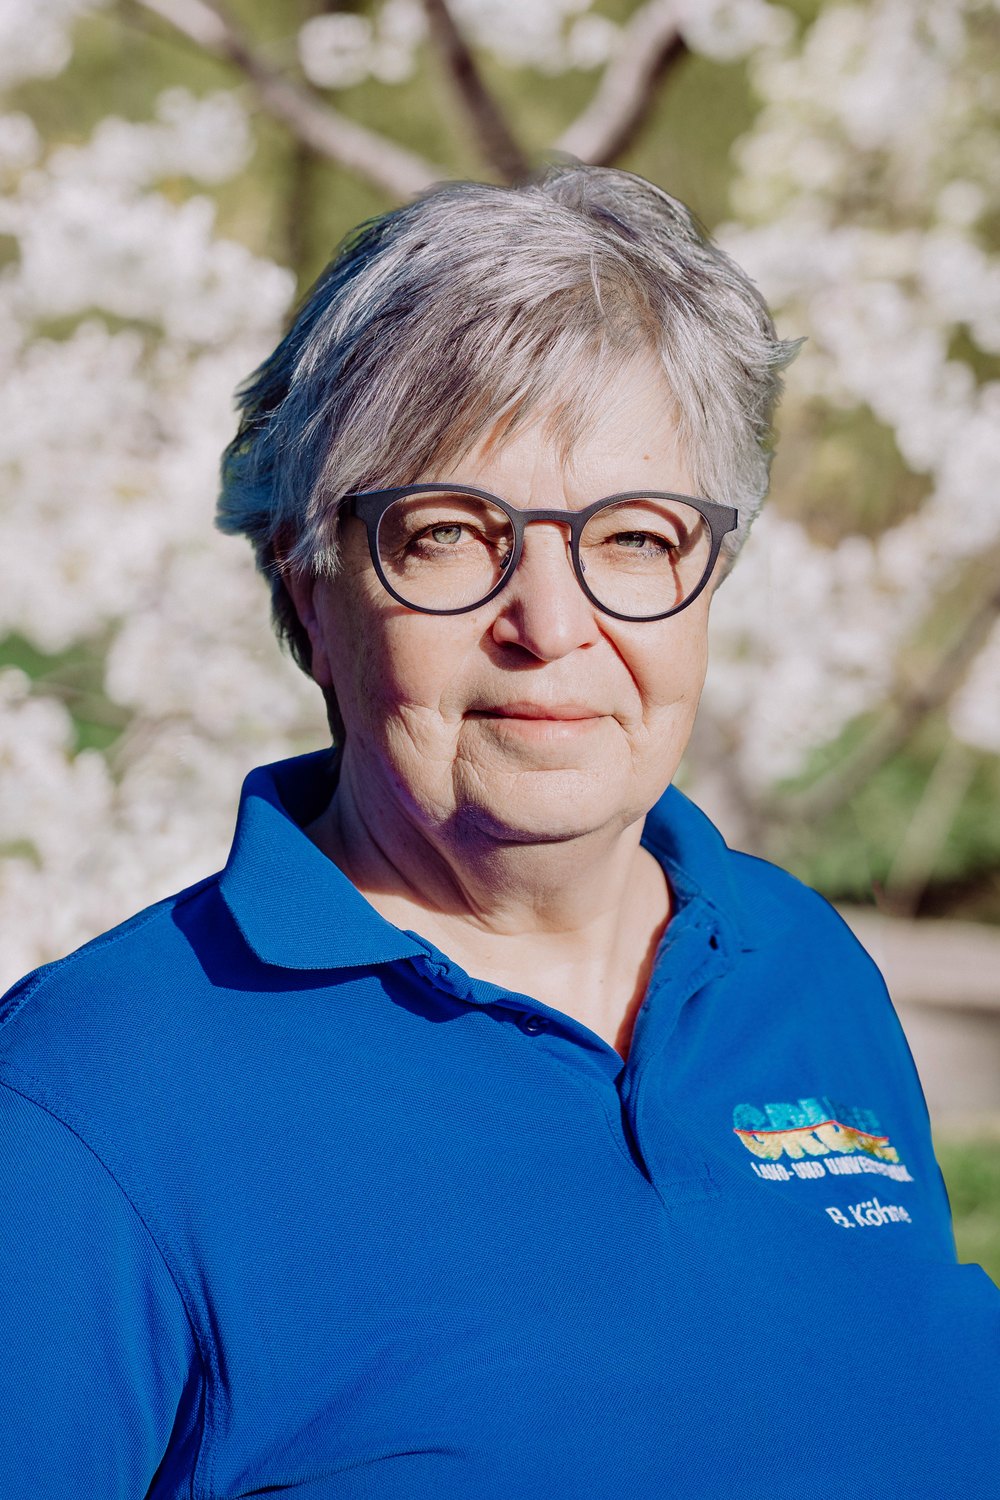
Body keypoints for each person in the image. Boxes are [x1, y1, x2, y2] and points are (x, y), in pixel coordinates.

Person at [1, 163, 998, 1499]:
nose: (552, 623)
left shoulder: (800, 969)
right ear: (307, 577)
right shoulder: (89, 1098)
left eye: (636, 539)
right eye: (449, 534)